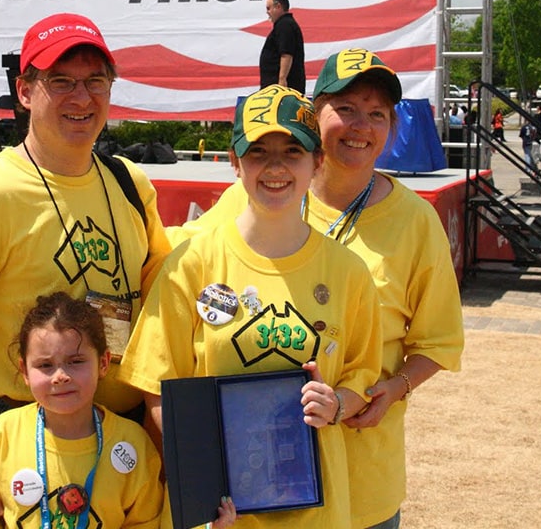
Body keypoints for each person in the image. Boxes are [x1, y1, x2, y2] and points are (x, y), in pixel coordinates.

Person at [162, 50, 464, 529]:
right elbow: (185, 261)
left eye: (377, 114)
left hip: (362, 470)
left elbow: (438, 339)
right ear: (314, 112)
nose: (360, 126)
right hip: (250, 483)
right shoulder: (256, 193)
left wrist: (393, 388)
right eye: (345, 108)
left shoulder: (416, 222)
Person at [0, 13, 172, 529]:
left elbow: (162, 301)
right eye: (61, 81)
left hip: (128, 439)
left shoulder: (129, 183)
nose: (82, 97)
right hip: (28, 437)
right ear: (25, 91)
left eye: (96, 81)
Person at [122, 84, 384, 529]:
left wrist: (335, 404)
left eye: (292, 151)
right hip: (218, 514)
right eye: (259, 152)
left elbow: (362, 374)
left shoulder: (348, 272)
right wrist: (212, 475)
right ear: (234, 162)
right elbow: (159, 390)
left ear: (317, 161)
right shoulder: (191, 265)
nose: (276, 167)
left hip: (315, 513)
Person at [0, 292, 216, 529]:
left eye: (76, 361)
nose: (60, 376)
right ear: (25, 371)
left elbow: (145, 522)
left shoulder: (132, 443)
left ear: (103, 363)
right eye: (45, 365)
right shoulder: (3, 434)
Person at [258, 0, 306, 94]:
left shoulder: (285, 25)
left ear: (278, 6)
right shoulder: (283, 25)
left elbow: (286, 54)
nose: (267, 12)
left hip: (281, 89)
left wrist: (282, 80)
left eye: (269, 8)